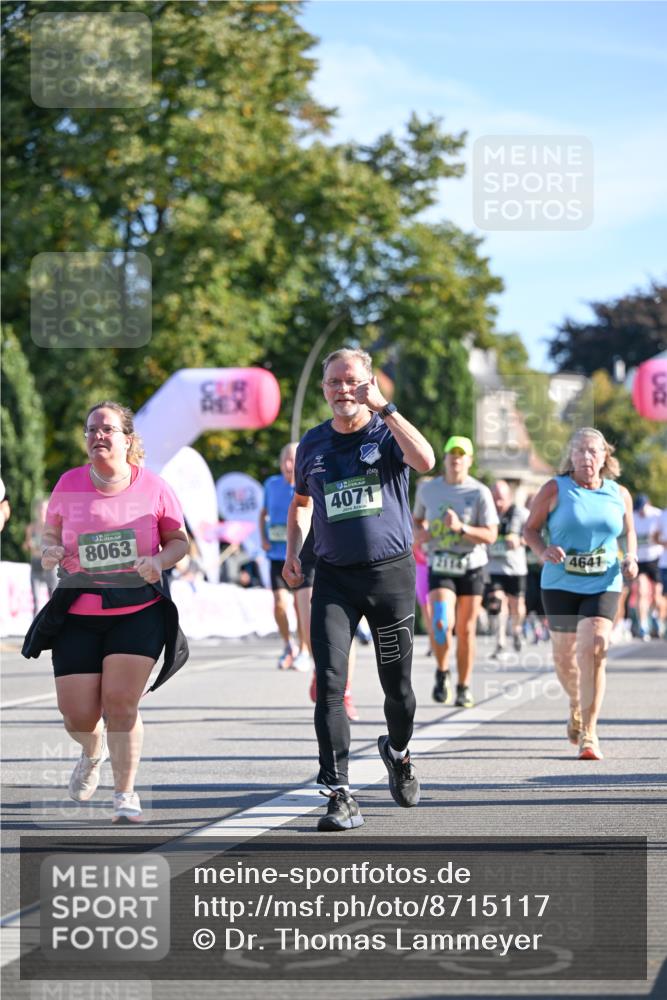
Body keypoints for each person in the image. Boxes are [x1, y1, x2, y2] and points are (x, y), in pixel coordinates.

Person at [284, 347, 435, 831]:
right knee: (330, 683)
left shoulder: (386, 431)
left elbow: (425, 460)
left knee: (399, 690)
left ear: (369, 384)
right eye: (334, 382)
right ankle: (339, 793)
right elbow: (301, 503)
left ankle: (399, 753)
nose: (343, 390)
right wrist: (293, 551)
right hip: (334, 579)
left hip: (390, 578)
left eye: (352, 381)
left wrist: (385, 408)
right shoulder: (313, 444)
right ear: (324, 389)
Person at [23, 402, 189, 822]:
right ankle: (92, 751)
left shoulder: (154, 487)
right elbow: (50, 533)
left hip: (137, 608)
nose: (98, 435)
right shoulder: (69, 483)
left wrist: (159, 561)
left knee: (120, 702)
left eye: (107, 429)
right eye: (91, 429)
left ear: (127, 439)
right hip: (78, 609)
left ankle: (125, 793)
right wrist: (50, 550)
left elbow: (178, 541)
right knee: (77, 715)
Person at [524, 427, 638, 761]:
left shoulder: (619, 493)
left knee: (595, 647)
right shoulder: (554, 488)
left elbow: (629, 532)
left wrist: (631, 557)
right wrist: (543, 550)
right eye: (580, 451)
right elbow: (530, 529)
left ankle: (589, 732)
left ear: (605, 457)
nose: (586, 457)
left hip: (604, 581)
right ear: (571, 456)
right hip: (560, 583)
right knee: (564, 657)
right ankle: (576, 702)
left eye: (593, 451)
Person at [413, 436, 498, 708]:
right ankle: (442, 671)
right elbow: (416, 521)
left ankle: (463, 686)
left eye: (462, 455)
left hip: (472, 565)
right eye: (452, 453)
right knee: (440, 622)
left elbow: (491, 535)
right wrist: (420, 534)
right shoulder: (428, 490)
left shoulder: (479, 492)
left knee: (466, 629)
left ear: (469, 461)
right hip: (440, 563)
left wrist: (462, 528)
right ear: (445, 458)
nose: (456, 459)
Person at [260, 443, 311, 671]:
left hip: (300, 555)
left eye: (293, 460)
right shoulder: (271, 485)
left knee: (302, 606)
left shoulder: (306, 485)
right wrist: (263, 537)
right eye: (285, 460)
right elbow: (263, 514)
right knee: (280, 603)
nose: (289, 465)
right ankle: (288, 644)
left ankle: (304, 650)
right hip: (276, 554)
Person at [485, 481, 529, 657]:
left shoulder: (521, 513)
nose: (497, 503)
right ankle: (500, 640)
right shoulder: (487, 512)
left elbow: (534, 534)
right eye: (494, 498)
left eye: (501, 499)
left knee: (517, 605)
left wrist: (520, 541)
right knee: (496, 601)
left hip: (515, 568)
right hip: (494, 567)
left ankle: (516, 630)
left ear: (509, 498)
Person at [631, 493, 663, 640]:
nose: (641, 513)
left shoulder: (657, 515)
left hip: (655, 559)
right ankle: (643, 625)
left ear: (648, 505)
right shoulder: (633, 516)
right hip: (640, 560)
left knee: (656, 595)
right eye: (638, 509)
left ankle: (655, 615)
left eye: (642, 509)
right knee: (641, 592)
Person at [24, 498, 58, 614]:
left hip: (49, 566)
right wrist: (28, 545)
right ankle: (35, 624)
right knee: (36, 601)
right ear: (36, 510)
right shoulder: (31, 528)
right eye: (40, 508)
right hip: (36, 565)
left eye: (44, 509)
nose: (41, 511)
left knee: (53, 598)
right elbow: (25, 546)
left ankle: (54, 622)